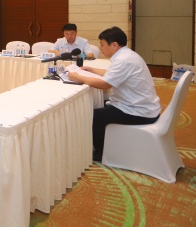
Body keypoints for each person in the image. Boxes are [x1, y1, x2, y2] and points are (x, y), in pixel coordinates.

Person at [68, 27, 160, 162]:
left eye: (102, 44)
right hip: (140, 105)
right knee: (100, 105)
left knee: (95, 116)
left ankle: (100, 153)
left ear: (114, 45)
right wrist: (91, 70)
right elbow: (112, 75)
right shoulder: (127, 55)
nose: (100, 48)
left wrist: (77, 77)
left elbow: (105, 84)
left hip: (138, 111)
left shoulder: (123, 60)